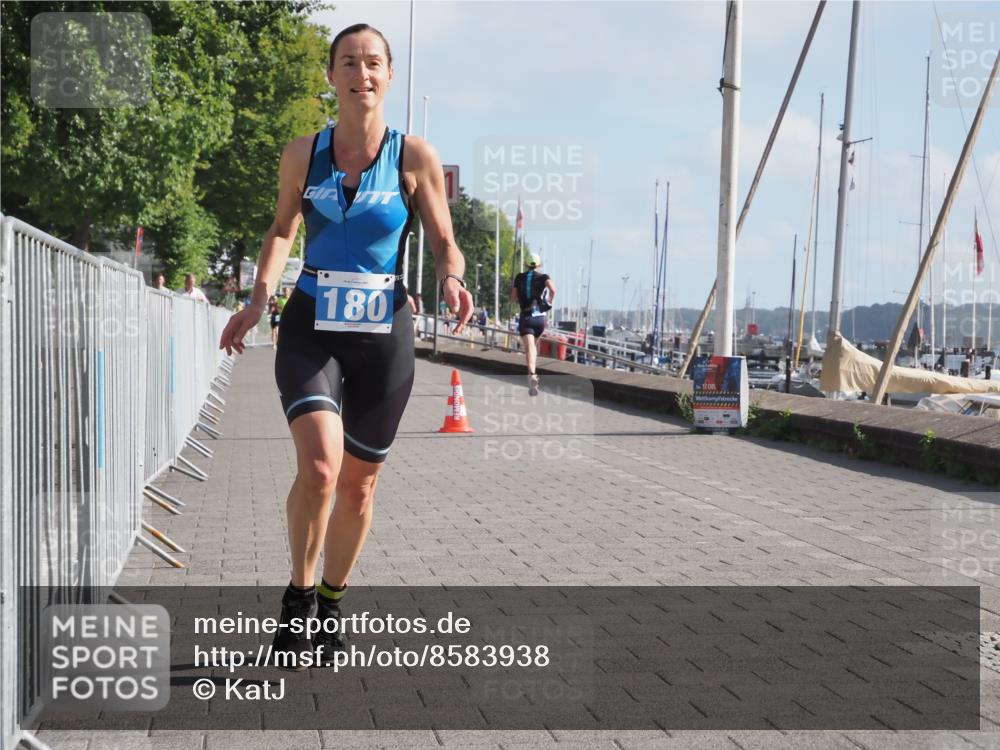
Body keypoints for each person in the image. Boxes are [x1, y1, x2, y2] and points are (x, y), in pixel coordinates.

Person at [218, 22, 473, 669]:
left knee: (359, 488)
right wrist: (257, 302)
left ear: (389, 76)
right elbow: (281, 229)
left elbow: (445, 239)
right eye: (349, 63)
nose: (362, 74)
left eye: (373, 64)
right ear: (330, 76)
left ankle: (331, 603)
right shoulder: (304, 154)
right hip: (311, 324)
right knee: (322, 468)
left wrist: (451, 278)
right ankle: (298, 599)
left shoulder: (412, 156)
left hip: (384, 330)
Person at [510, 252, 555, 396]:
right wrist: (549, 302)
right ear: (539, 265)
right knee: (533, 349)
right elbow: (553, 290)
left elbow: (512, 298)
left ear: (525, 264)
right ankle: (532, 382)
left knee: (529, 350)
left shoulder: (519, 277)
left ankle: (533, 376)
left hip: (527, 317)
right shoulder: (544, 277)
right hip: (540, 318)